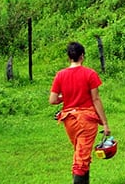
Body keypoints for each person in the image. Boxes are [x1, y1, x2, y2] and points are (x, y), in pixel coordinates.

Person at [49, 42, 111, 184]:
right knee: (81, 159)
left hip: (69, 120)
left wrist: (65, 96)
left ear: (69, 57)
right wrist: (105, 124)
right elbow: (95, 99)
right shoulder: (90, 74)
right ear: (82, 56)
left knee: (80, 153)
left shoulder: (60, 75)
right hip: (86, 120)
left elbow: (52, 100)